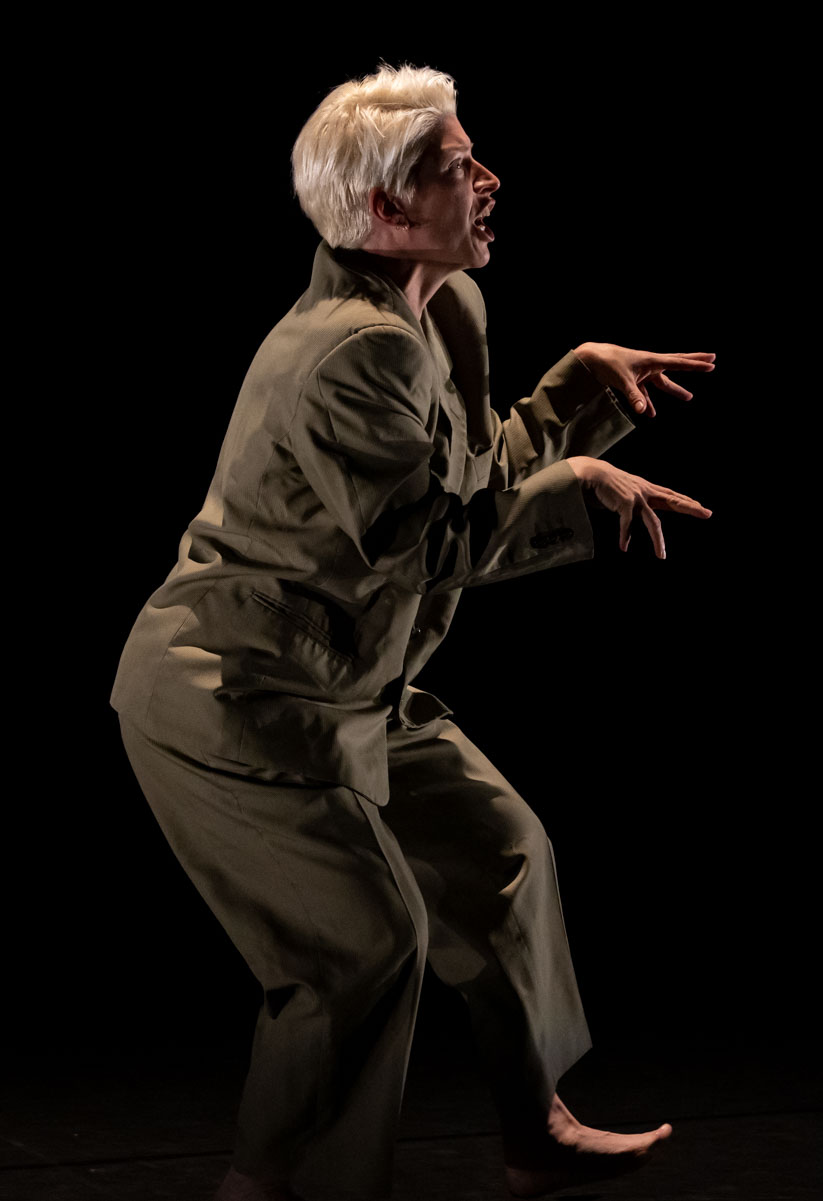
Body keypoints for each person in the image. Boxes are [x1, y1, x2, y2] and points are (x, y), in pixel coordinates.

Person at [110, 64, 709, 1201]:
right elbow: (432, 545)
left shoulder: (441, 313)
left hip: (348, 678)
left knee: (500, 853)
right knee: (362, 949)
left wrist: (576, 394)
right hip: (239, 697)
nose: (490, 180)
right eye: (457, 167)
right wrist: (581, 486)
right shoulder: (349, 349)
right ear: (387, 207)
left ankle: (536, 1129)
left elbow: (468, 479)